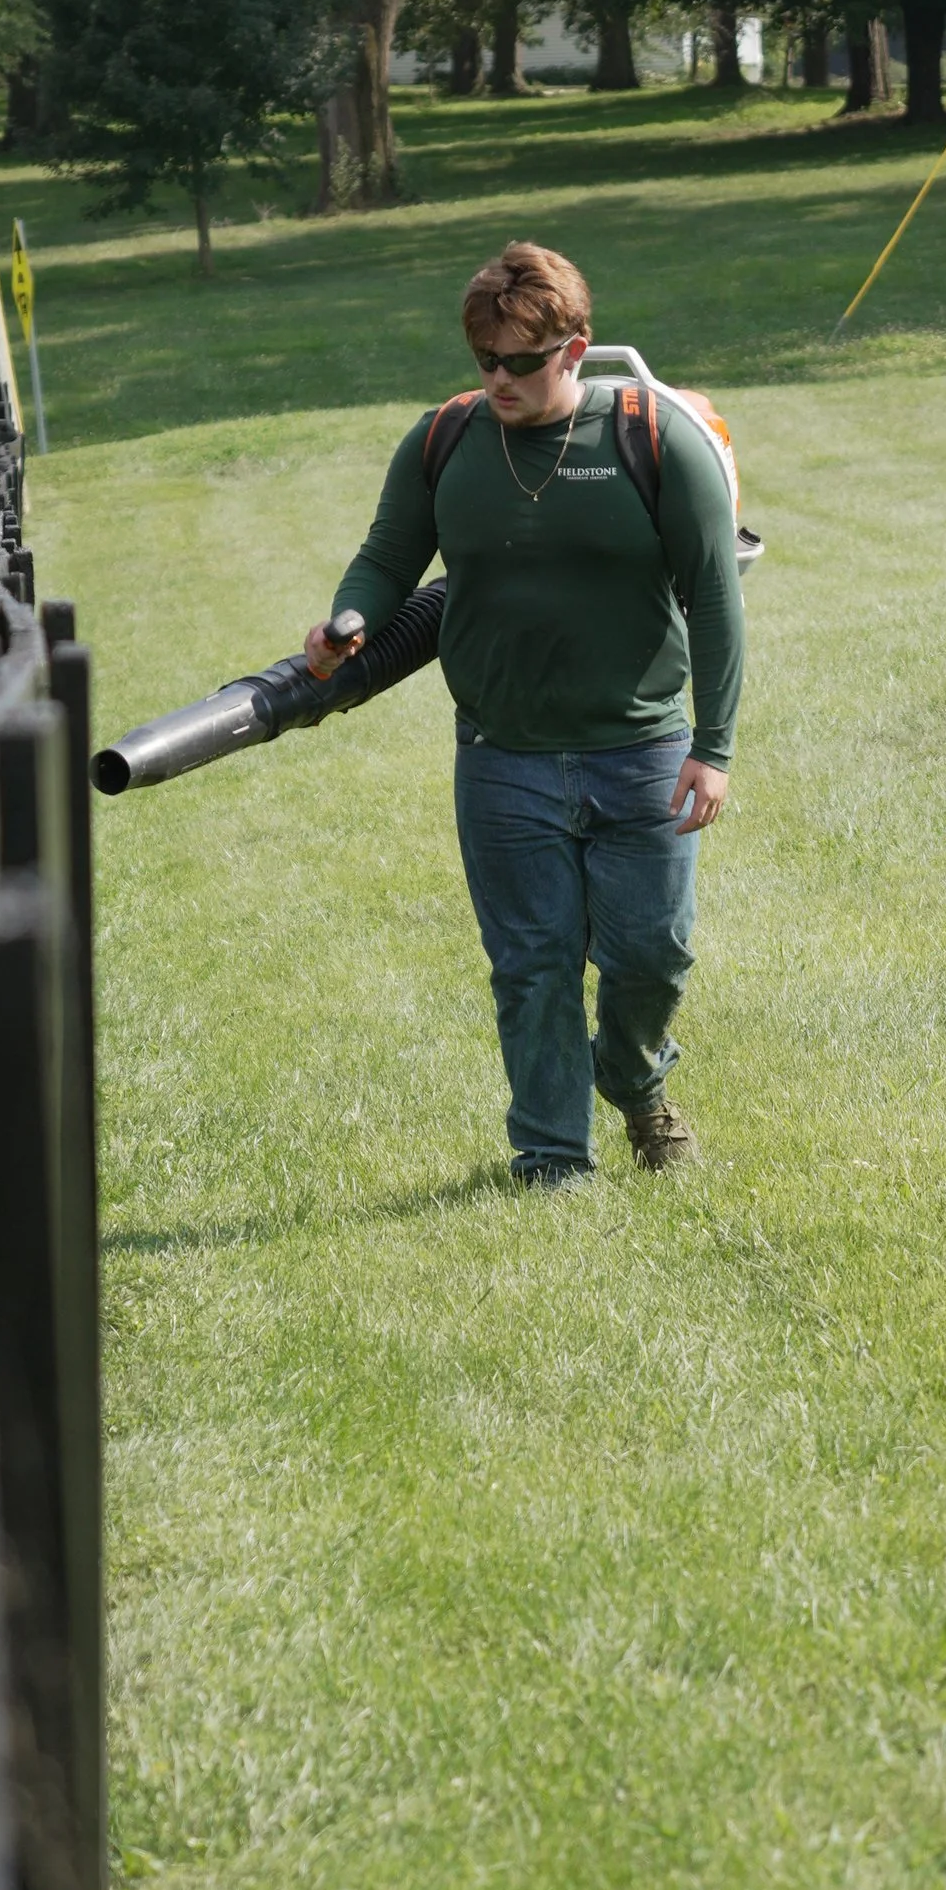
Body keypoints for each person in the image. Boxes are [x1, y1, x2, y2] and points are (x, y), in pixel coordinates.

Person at [308, 239, 745, 1186]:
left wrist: (713, 748)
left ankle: (633, 1078)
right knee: (533, 967)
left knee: (652, 956)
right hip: (502, 757)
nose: (498, 379)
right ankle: (553, 1161)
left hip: (641, 751)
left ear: (575, 350)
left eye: (520, 361)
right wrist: (351, 617)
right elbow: (389, 558)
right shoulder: (446, 442)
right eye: (484, 361)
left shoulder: (656, 439)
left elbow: (715, 599)